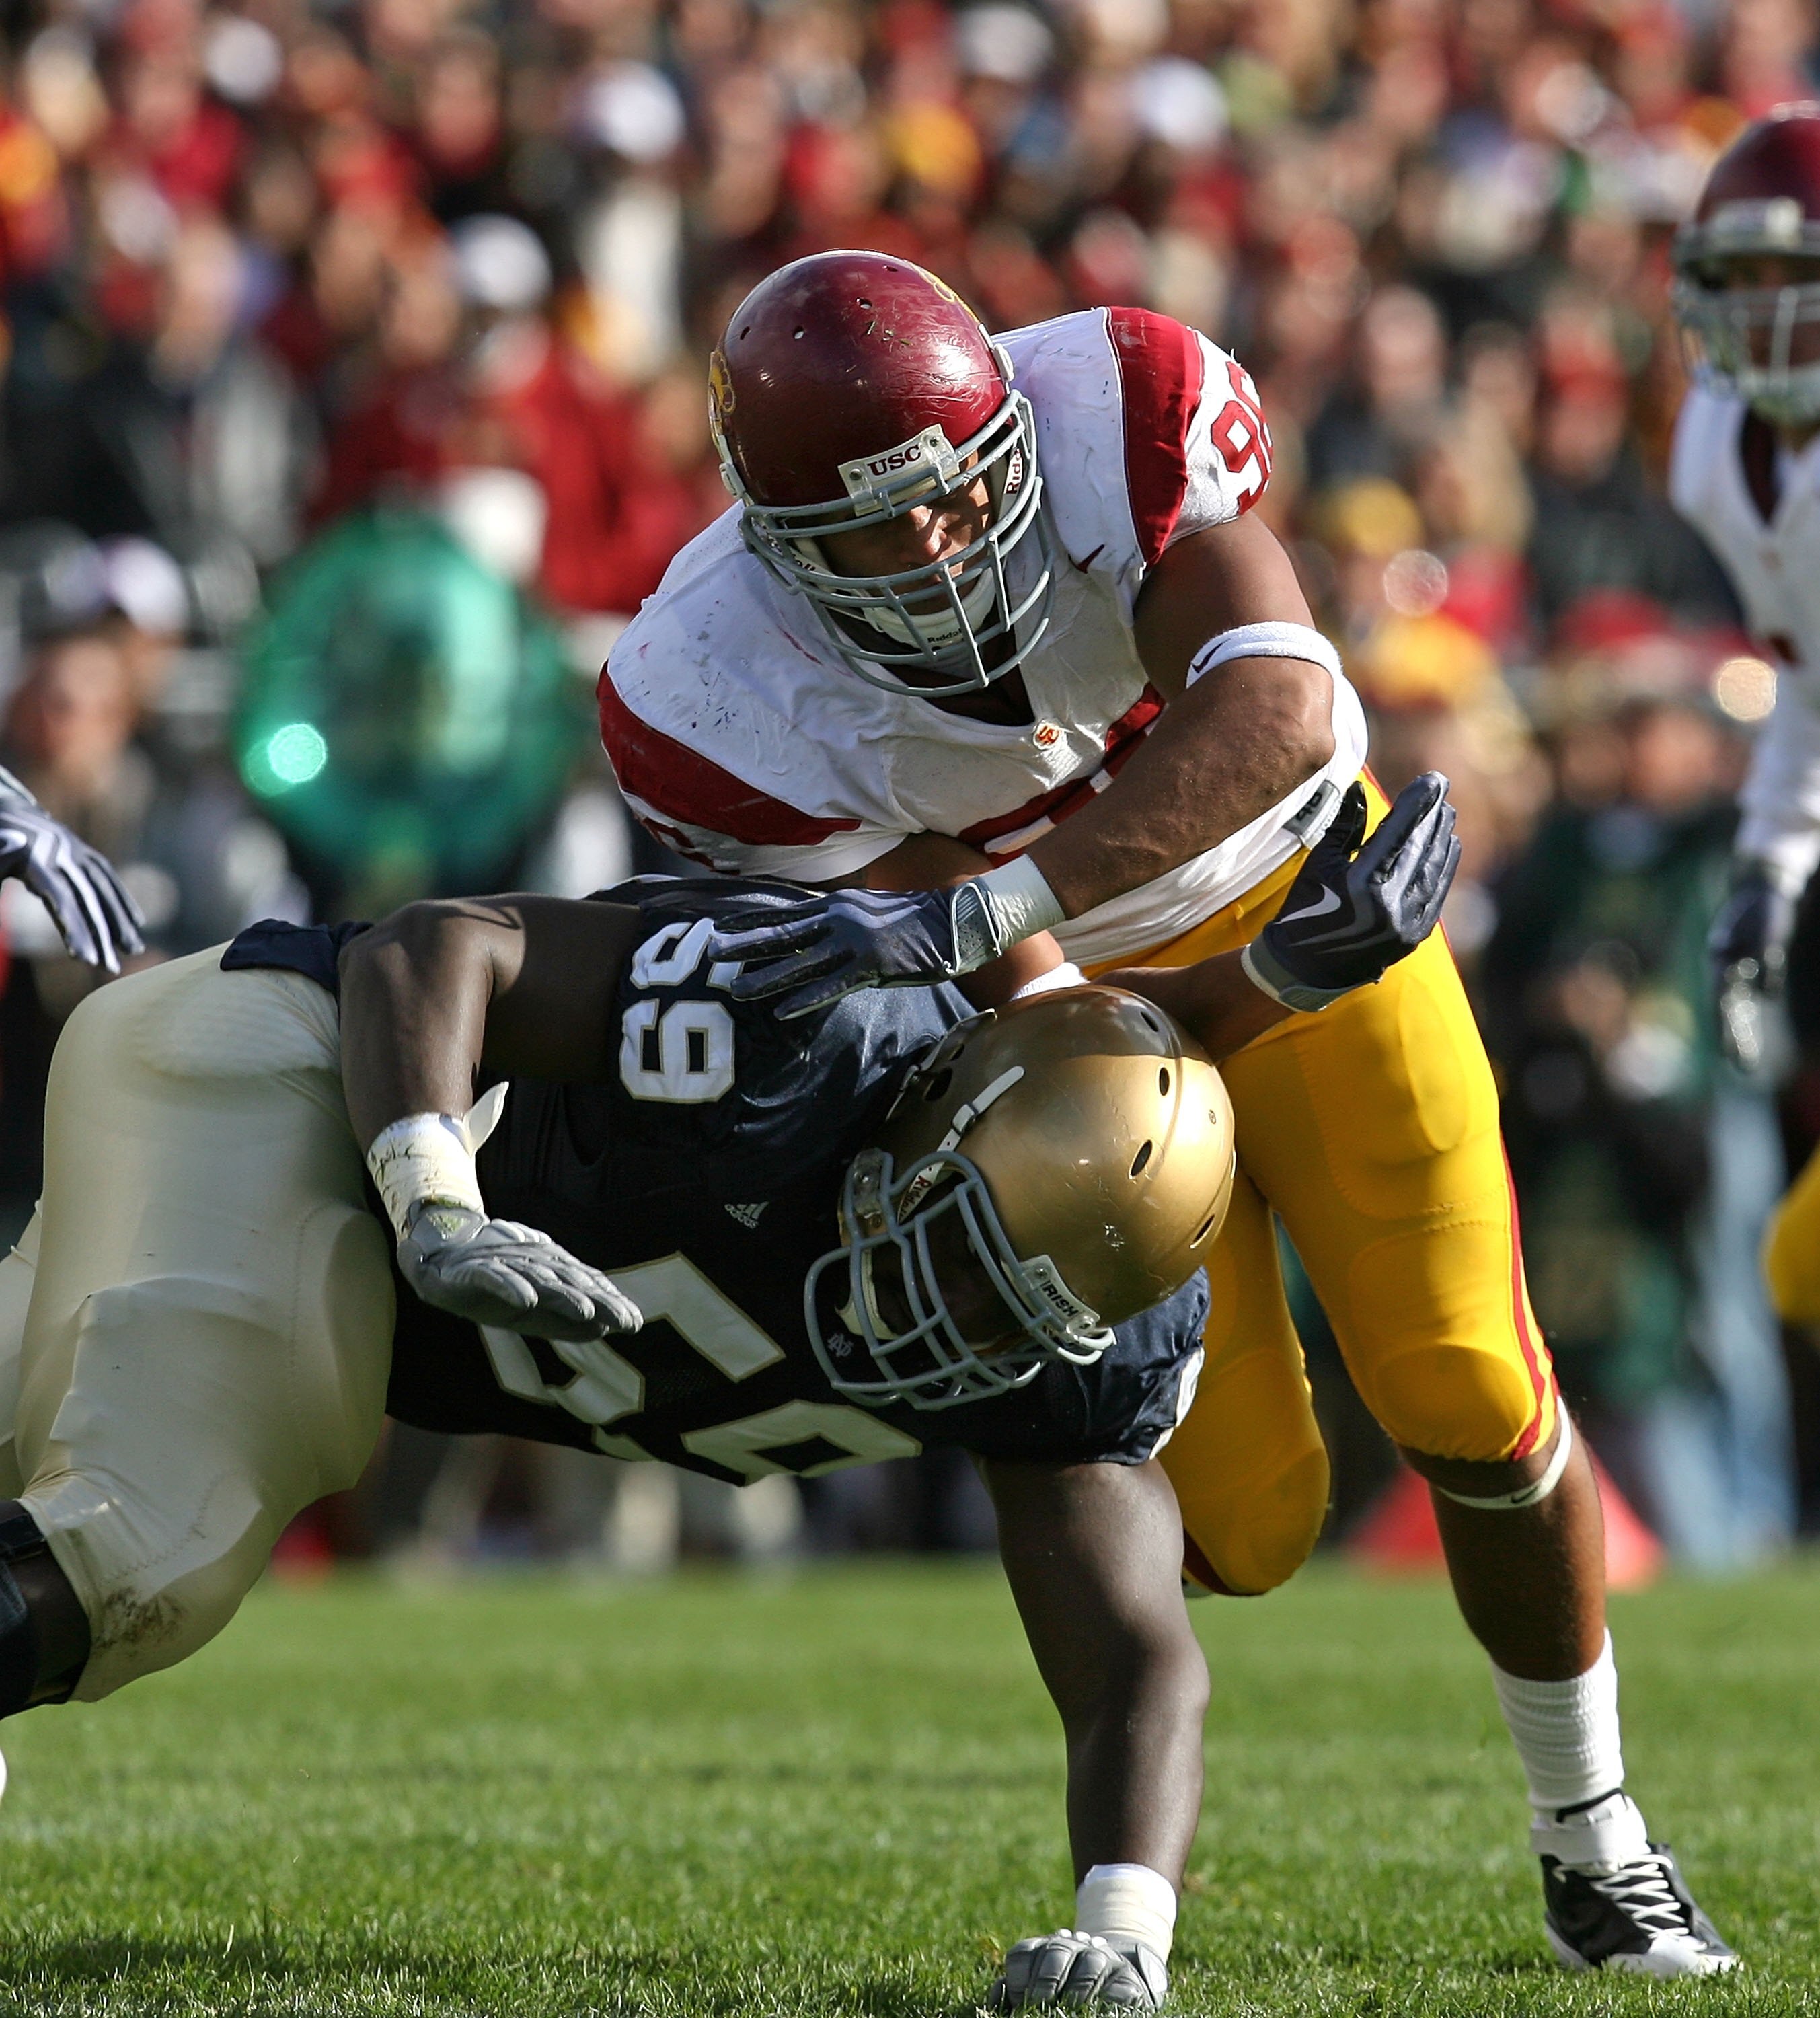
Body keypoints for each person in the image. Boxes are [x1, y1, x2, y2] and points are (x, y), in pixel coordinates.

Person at [597, 250, 1736, 1978]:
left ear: (1013, 442)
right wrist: (1143, 974)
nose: (932, 553)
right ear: (770, 537)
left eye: (962, 499)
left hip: (1302, 896)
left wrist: (1002, 910)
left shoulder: (1115, 401)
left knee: (1467, 1385)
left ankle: (1598, 1839)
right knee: (1251, 1523)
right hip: (1089, 1021)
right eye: (867, 538)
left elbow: (1274, 712)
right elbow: (1036, 1015)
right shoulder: (701, 690)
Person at [0, 776, 1452, 2012]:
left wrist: (1124, 1934)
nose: (948, 1329)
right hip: (301, 1094)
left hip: (281, 1191)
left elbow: (1138, 1661)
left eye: (1011, 1320)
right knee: (148, 1551)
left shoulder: (1073, 1341)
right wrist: (434, 1199)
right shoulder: (800, 1034)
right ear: (931, 1120)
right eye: (957, 1261)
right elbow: (430, 950)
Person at [1671, 103, 1820, 1333]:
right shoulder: (1716, 447)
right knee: (1801, 1268)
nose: (1759, 309)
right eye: (1739, 279)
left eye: (1789, 278)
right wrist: (1768, 868)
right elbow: (1810, 682)